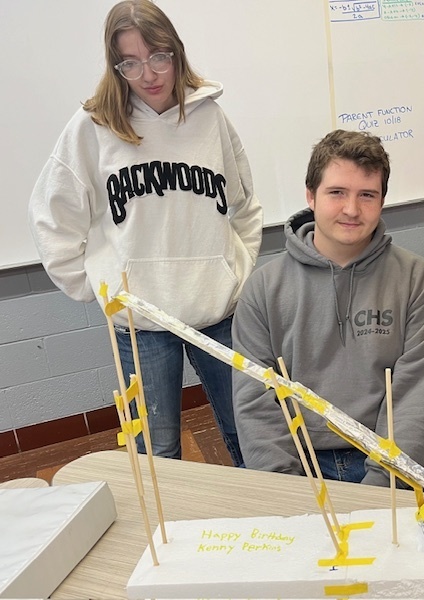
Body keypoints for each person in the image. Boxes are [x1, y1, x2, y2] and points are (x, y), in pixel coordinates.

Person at [28, 0, 262, 464]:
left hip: (216, 309)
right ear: (115, 65)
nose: (148, 74)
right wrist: (97, 289)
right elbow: (51, 215)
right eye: (130, 62)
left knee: (250, 435)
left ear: (176, 52)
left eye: (158, 57)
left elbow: (245, 203)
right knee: (158, 453)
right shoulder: (94, 125)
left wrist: (235, 271)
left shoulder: (209, 117)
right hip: (141, 321)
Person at [232, 129, 424, 487]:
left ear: (382, 201)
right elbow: (255, 401)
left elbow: (420, 393)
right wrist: (287, 489)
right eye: (337, 192)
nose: (352, 210)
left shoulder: (419, 281)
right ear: (311, 195)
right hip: (302, 460)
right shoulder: (263, 290)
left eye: (367, 195)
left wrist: (379, 488)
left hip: (398, 457)